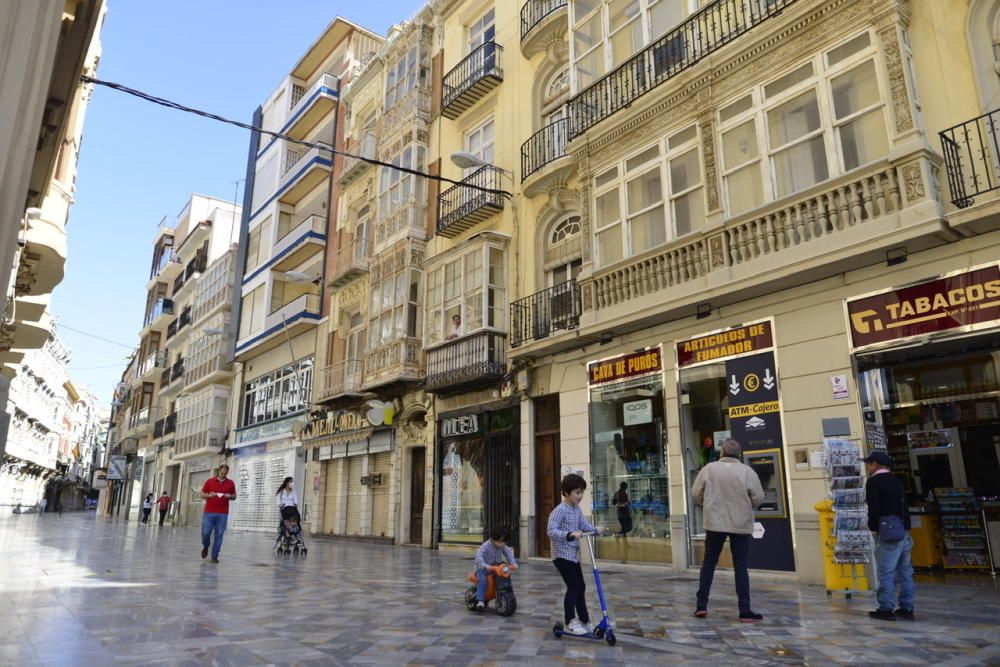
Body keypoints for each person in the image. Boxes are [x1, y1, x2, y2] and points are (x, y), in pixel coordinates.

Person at [691, 438, 765, 622]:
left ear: (722, 453)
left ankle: (701, 606)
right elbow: (759, 498)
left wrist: (704, 502)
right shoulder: (747, 471)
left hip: (715, 522)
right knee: (740, 565)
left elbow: (695, 492)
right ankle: (744, 609)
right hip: (740, 523)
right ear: (739, 455)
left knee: (709, 562)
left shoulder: (709, 469)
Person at [547, 473, 605, 636]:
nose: (580, 496)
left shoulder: (576, 509)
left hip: (573, 555)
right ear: (566, 492)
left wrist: (595, 529)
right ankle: (570, 621)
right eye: (577, 492)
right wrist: (569, 534)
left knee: (581, 587)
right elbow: (551, 531)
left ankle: (585, 621)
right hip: (561, 556)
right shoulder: (559, 510)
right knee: (573, 586)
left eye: (582, 492)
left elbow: (583, 524)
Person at [864, 451, 915, 621]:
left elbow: (874, 508)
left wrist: (873, 528)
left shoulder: (873, 483)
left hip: (887, 532)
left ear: (876, 464)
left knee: (886, 570)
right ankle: (907, 606)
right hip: (903, 530)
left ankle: (885, 607)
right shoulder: (896, 481)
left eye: (869, 463)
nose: (867, 467)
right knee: (905, 570)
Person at [472, 527, 518, 611]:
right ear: (493, 539)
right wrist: (484, 565)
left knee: (505, 576)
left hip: (496, 567)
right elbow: (479, 556)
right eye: (500, 542)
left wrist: (513, 564)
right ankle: (480, 601)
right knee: (482, 580)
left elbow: (508, 553)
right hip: (483, 568)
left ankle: (509, 594)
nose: (502, 544)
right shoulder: (486, 545)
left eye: (504, 542)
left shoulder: (502, 546)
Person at [200, 464, 237, 563]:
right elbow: (201, 494)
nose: (223, 475)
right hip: (209, 512)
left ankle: (215, 556)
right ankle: (206, 546)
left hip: (222, 513)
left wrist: (230, 496)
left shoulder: (230, 483)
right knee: (205, 532)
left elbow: (234, 496)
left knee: (219, 534)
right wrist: (209, 495)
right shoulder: (210, 481)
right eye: (222, 473)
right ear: (218, 471)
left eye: (225, 473)